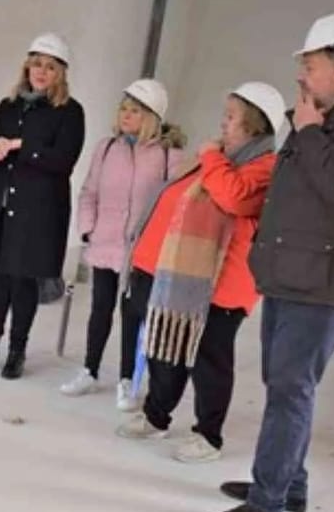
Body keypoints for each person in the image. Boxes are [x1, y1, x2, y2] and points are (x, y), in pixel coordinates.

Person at [206, 14, 334, 512]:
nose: (301, 78)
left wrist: (309, 132)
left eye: (309, 67)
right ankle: (290, 484)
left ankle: (266, 505)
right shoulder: (313, 119)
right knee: (285, 383)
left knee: (291, 387)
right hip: (289, 273)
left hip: (327, 282)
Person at [115, 82, 286, 465]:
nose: (222, 124)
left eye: (231, 118)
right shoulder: (220, 158)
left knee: (210, 358)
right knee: (166, 346)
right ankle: (157, 415)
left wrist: (210, 157)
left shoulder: (263, 167)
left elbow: (234, 197)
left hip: (225, 285)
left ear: (254, 127)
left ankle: (209, 435)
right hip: (176, 278)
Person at [59, 79, 185, 410]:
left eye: (135, 111)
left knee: (134, 312)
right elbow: (89, 191)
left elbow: (173, 203)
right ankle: (89, 369)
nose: (126, 116)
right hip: (106, 242)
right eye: (124, 109)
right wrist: (88, 230)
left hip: (142, 251)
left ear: (152, 117)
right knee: (100, 308)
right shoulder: (106, 148)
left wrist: (158, 242)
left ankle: (128, 379)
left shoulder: (169, 155)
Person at [0, 32, 85, 379]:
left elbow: (64, 160)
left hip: (39, 209)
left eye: (49, 67)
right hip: (1, 203)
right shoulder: (10, 105)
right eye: (36, 64)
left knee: (23, 281)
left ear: (60, 72)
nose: (41, 72)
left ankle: (17, 351)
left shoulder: (70, 112)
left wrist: (20, 145)